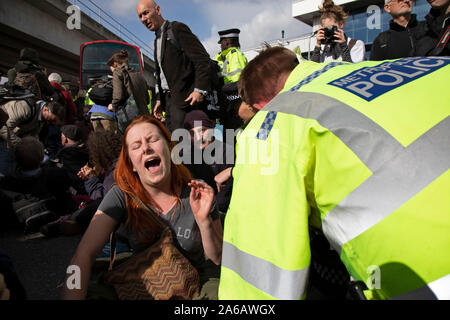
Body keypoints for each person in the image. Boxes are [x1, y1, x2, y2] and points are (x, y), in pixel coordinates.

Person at [218, 46, 450, 300]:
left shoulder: (272, 120)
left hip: (427, 277)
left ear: (259, 104)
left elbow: (260, 274)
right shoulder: (406, 65)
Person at [61, 115, 223, 300]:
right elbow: (82, 256)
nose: (146, 148)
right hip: (148, 285)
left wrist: (204, 222)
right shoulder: (121, 195)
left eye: (153, 139)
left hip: (197, 286)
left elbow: (217, 261)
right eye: (136, 146)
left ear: (170, 148)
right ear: (132, 165)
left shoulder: (197, 191)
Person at [136, 0, 212, 133]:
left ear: (158, 10)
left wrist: (199, 90)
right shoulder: (156, 40)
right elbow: (162, 75)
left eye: (146, 13)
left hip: (186, 101)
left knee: (186, 147)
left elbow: (202, 59)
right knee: (173, 144)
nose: (143, 19)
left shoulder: (177, 29)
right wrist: (160, 100)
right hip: (169, 103)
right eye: (140, 16)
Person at [182, 110, 234, 215]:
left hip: (221, 210)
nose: (199, 137)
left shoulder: (226, 151)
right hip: (193, 209)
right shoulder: (183, 155)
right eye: (192, 133)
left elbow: (226, 195)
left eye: (203, 130)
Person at [107, 50, 149, 117]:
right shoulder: (138, 74)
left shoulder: (117, 72)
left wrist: (113, 106)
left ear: (115, 64)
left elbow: (118, 96)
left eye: (111, 68)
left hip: (130, 115)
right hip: (144, 114)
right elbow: (147, 99)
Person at [51, 124, 89, 195]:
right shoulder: (87, 151)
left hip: (76, 193)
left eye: (62, 136)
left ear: (65, 139)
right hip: (89, 188)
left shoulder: (65, 156)